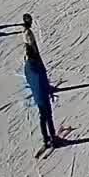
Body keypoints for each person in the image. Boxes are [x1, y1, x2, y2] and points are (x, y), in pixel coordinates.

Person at [23, 14, 61, 150]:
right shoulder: (38, 69)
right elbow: (42, 81)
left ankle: (46, 140)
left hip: (37, 96)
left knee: (41, 117)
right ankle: (53, 138)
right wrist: (49, 90)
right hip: (42, 95)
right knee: (48, 116)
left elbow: (30, 80)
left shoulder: (28, 67)